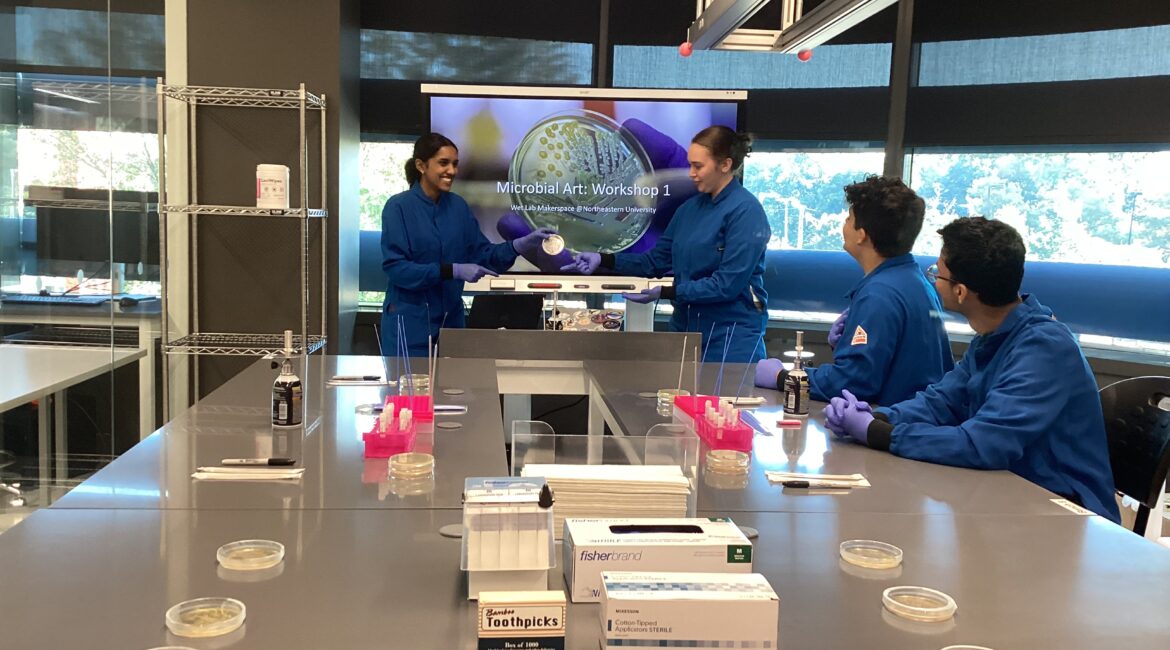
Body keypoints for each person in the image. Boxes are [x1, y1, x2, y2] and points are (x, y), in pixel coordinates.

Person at [824, 217, 1120, 523]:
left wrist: (880, 434)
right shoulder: (995, 335)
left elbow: (983, 444)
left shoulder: (1044, 349)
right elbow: (941, 401)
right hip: (1007, 494)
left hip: (1062, 511)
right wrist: (877, 416)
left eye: (937, 273)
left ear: (961, 292)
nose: (933, 280)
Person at [561, 126, 770, 362]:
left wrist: (668, 291)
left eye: (698, 166)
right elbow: (654, 262)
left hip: (731, 338)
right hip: (686, 330)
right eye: (690, 164)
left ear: (725, 165)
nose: (691, 173)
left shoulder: (746, 212)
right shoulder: (689, 210)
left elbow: (727, 285)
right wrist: (604, 258)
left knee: (724, 399)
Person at [754, 176, 953, 405]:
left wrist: (785, 378)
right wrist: (849, 345)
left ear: (862, 234)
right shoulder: (915, 281)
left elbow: (853, 383)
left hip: (891, 423)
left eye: (849, 218)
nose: (844, 225)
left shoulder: (879, 295)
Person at [380, 133, 554, 357]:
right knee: (412, 390)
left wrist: (518, 245)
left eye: (455, 164)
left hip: (450, 323)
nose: (452, 171)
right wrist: (452, 270)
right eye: (443, 163)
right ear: (421, 166)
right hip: (409, 324)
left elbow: (483, 254)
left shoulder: (458, 207)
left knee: (452, 389)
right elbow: (397, 269)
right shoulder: (398, 208)